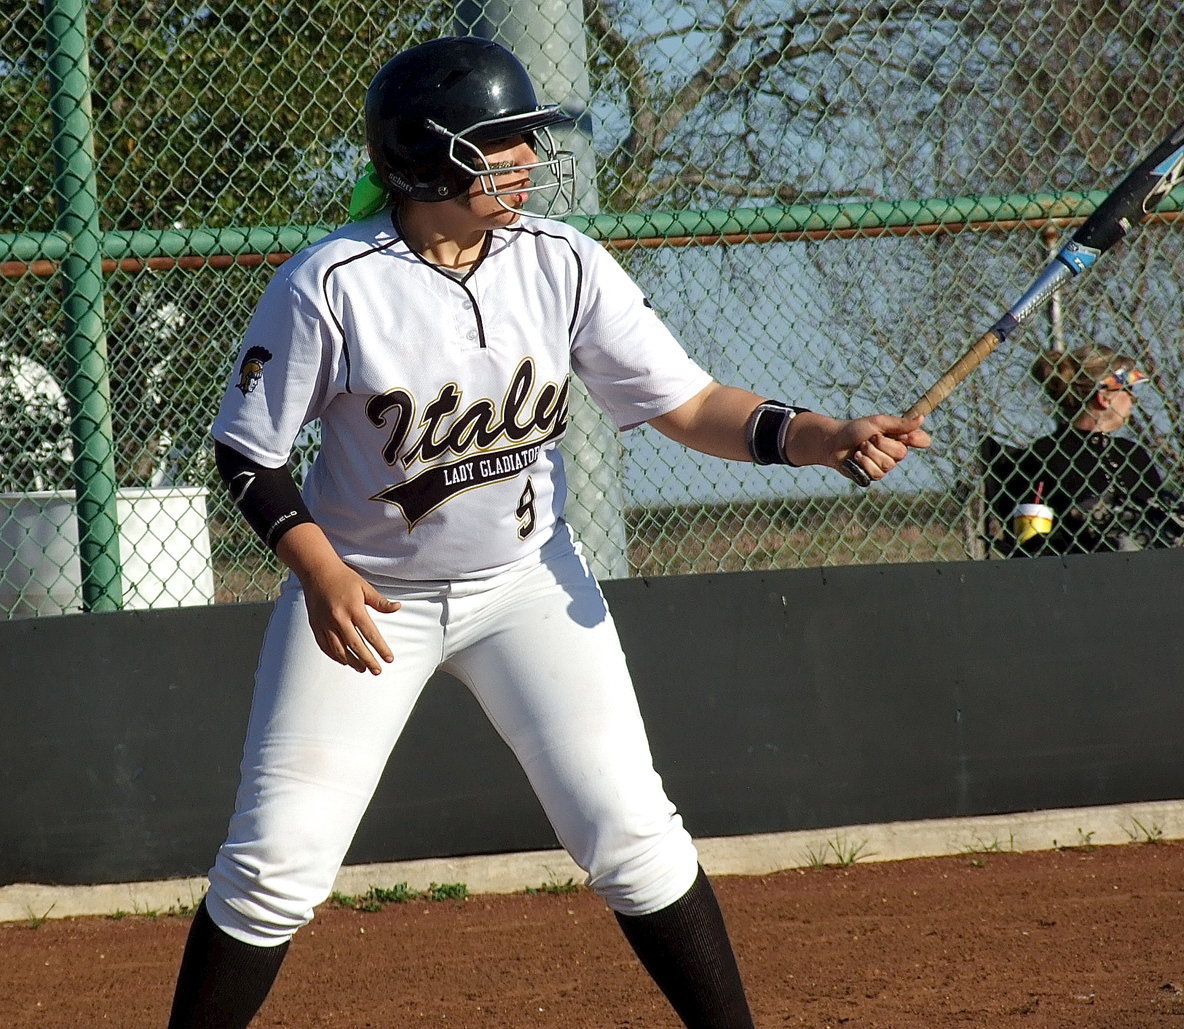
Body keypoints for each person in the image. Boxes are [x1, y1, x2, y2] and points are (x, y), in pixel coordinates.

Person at [165, 35, 930, 1029]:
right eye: (504, 140)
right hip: (365, 602)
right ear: (433, 156)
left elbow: (688, 405)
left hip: (525, 587)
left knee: (630, 833)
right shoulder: (334, 282)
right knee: (276, 865)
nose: (527, 156)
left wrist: (820, 437)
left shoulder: (562, 261)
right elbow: (246, 452)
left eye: (527, 138)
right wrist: (317, 569)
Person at [1006, 343, 1184, 556]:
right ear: (1104, 397)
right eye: (1128, 390)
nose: (1134, 398)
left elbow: (1155, 511)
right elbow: (1032, 538)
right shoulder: (1046, 454)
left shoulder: (1132, 454)